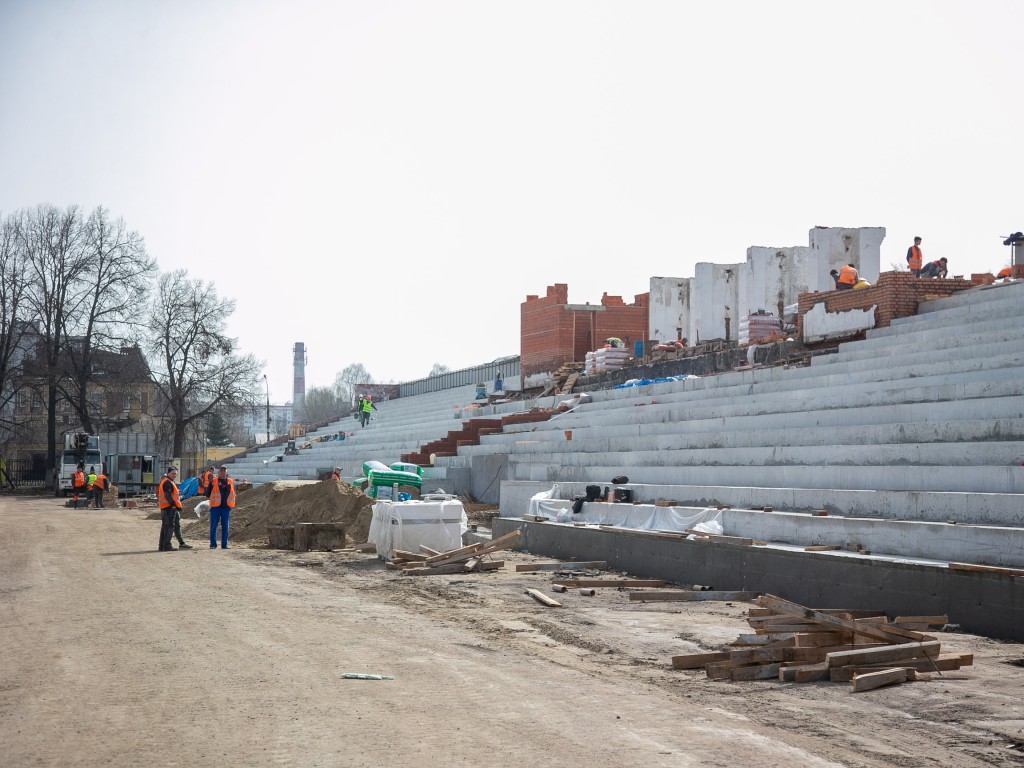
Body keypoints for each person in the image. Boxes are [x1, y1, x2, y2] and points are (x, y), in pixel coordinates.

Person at [205, 465, 235, 549]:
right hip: (215, 507)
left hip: (226, 507)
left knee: (225, 526)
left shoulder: (230, 481)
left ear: (226, 472)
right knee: (213, 526)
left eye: (224, 471)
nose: (223, 472)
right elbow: (207, 494)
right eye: (221, 471)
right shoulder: (213, 481)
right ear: (218, 472)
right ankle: (213, 544)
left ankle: (224, 545)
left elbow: (233, 493)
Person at [157, 466, 183, 552]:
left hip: (165, 507)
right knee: (169, 527)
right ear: (168, 473)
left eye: (175, 473)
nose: (174, 475)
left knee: (165, 527)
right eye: (173, 473)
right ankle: (167, 546)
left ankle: (162, 546)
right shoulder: (168, 482)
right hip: (169, 508)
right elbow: (167, 495)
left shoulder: (167, 481)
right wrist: (173, 505)